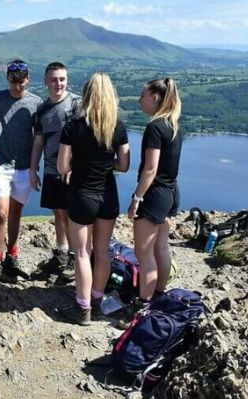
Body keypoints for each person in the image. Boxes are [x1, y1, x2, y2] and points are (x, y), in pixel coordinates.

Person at [57, 73, 130, 324]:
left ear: (87, 95)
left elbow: (61, 166)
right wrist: (104, 163)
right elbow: (124, 165)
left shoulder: (73, 127)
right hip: (108, 195)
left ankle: (83, 308)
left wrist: (81, 163)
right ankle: (97, 302)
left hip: (82, 195)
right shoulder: (117, 127)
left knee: (81, 253)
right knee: (102, 252)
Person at [0, 59, 42, 280]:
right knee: (1, 213)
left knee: (16, 213)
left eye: (22, 82)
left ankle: (11, 258)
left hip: (25, 168)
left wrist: (35, 168)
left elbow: (39, 138)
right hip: (1, 166)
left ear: (28, 79)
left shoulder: (35, 103)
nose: (18, 86)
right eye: (14, 81)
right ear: (7, 78)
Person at [128, 78, 182, 306]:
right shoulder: (173, 126)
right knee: (161, 247)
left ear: (155, 98)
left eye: (143, 95)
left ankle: (143, 304)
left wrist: (136, 199)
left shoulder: (154, 128)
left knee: (144, 253)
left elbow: (150, 169)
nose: (140, 100)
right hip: (170, 193)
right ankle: (159, 295)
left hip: (154, 195)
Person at [29, 61, 80, 275]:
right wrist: (33, 170)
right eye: (54, 79)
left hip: (71, 171)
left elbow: (83, 139)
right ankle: (61, 254)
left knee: (71, 215)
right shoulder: (41, 110)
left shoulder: (77, 104)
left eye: (62, 79)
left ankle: (75, 259)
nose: (58, 83)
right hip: (51, 169)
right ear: (46, 82)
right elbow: (39, 142)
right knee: (58, 213)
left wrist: (73, 166)